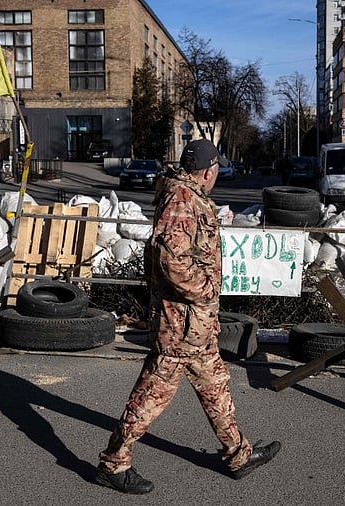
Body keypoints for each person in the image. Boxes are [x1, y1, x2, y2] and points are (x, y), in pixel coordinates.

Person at [95, 139, 281, 494]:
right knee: (152, 394)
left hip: (196, 325)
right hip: (181, 324)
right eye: (215, 171)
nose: (215, 177)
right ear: (209, 170)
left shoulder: (189, 196)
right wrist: (206, 290)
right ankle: (113, 464)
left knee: (215, 385)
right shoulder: (182, 200)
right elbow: (171, 261)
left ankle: (238, 455)